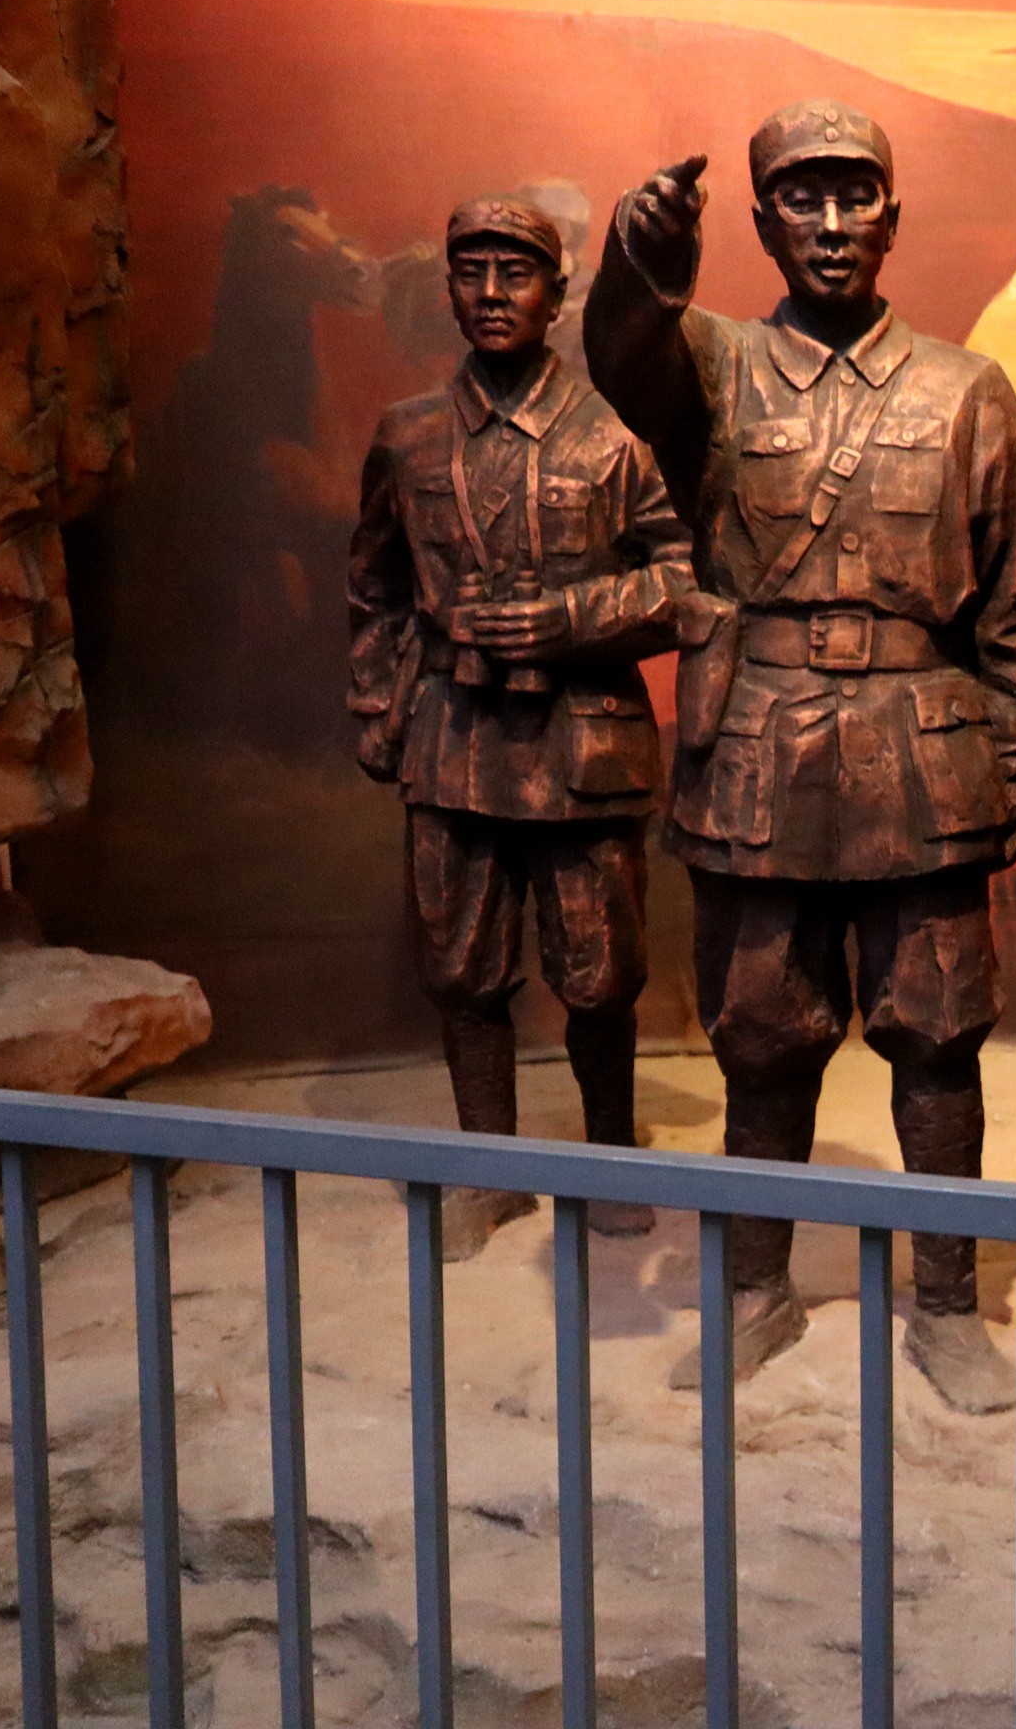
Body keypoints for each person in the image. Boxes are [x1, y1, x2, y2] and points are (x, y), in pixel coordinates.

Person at [586, 102, 1016, 1414]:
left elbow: (1012, 612)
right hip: (762, 753)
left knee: (938, 1038)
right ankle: (754, 1289)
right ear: (760, 221)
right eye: (802, 198)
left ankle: (947, 1306)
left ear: (894, 218)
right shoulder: (714, 366)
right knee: (761, 1037)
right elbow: (621, 355)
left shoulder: (967, 389)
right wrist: (639, 262)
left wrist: (1007, 774)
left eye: (856, 198)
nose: (833, 225)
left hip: (923, 756)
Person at [347, 196, 691, 1258]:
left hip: (583, 746)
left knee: (600, 974)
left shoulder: (611, 438)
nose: (492, 295)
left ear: (558, 293)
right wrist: (381, 707)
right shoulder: (408, 435)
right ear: (448, 288)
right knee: (461, 971)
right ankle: (488, 1172)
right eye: (472, 272)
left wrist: (571, 619)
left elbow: (684, 582)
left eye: (517, 273)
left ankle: (607, 1163)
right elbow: (374, 586)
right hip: (453, 742)